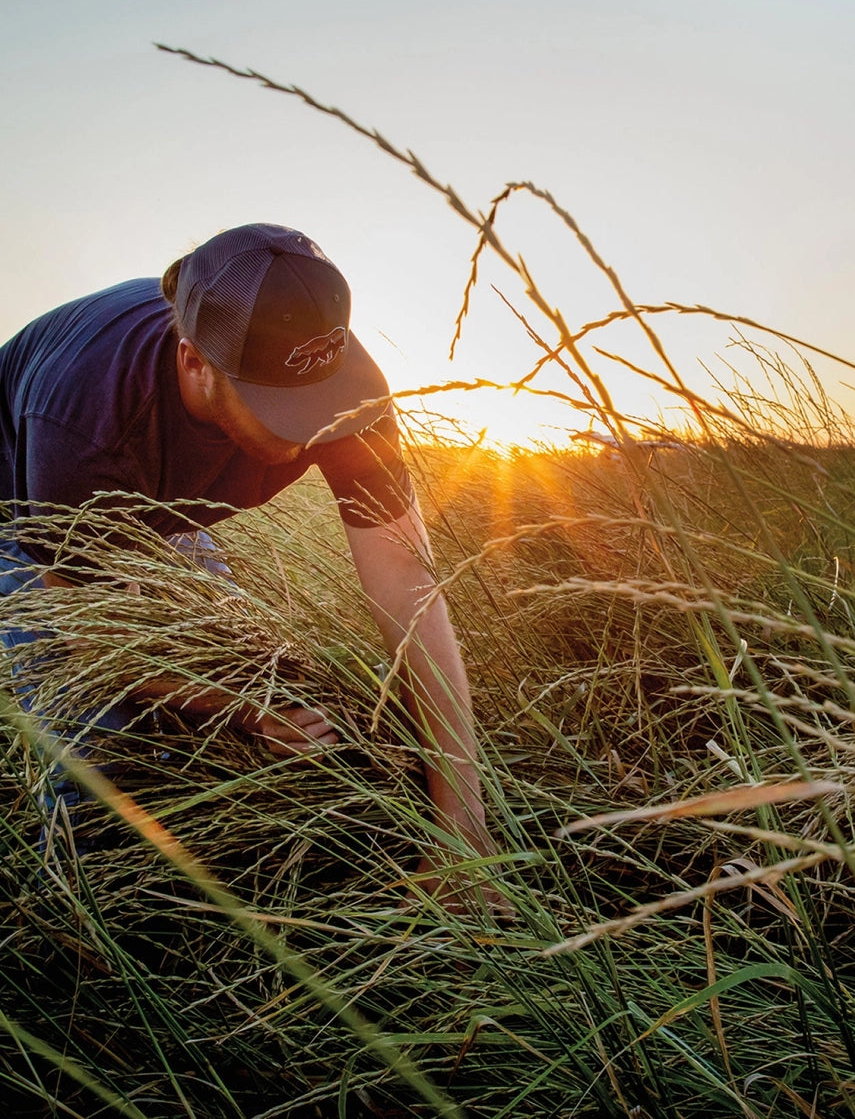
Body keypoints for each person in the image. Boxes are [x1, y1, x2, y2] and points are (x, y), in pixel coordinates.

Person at [0, 223, 497, 896]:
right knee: (102, 739)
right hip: (25, 510)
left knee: (248, 668)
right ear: (195, 362)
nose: (308, 437)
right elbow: (93, 642)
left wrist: (462, 821)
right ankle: (77, 920)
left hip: (160, 509)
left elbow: (409, 584)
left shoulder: (344, 391)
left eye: (321, 400)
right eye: (281, 411)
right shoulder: (85, 417)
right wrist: (242, 706)